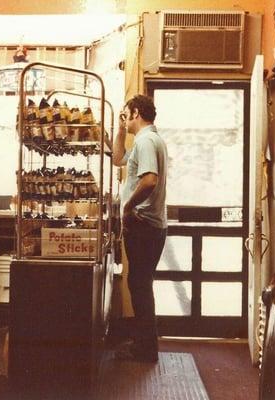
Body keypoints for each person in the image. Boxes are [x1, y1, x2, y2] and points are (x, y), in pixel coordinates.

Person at [112, 94, 168, 362]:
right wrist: (120, 130)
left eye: (126, 113)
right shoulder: (147, 140)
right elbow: (117, 158)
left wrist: (127, 206)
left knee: (140, 285)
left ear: (136, 112)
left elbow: (149, 181)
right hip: (150, 226)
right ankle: (145, 345)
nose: (125, 117)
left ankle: (146, 349)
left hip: (144, 225)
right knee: (140, 284)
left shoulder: (146, 141)